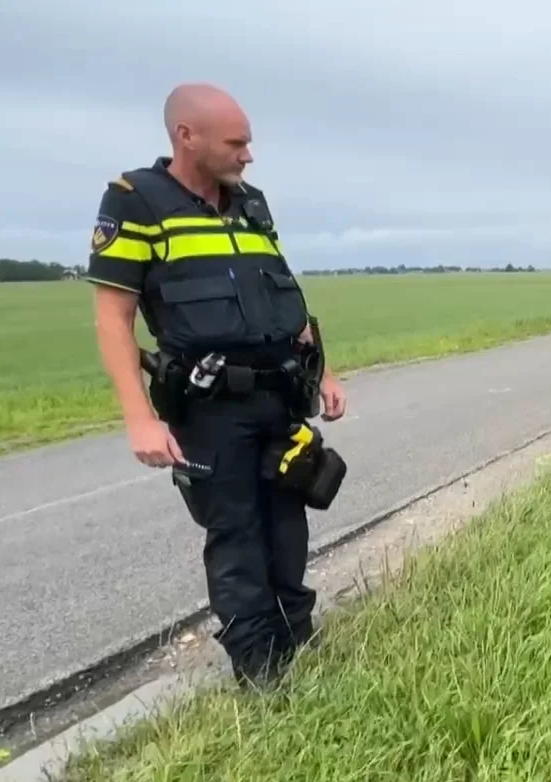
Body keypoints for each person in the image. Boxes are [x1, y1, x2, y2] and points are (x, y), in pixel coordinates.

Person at [86, 83, 348, 689]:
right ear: (187, 136)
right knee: (236, 536)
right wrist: (138, 417)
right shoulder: (136, 203)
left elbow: (286, 294)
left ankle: (299, 648)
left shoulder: (252, 203)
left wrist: (325, 370)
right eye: (236, 142)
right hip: (210, 410)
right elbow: (112, 319)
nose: (248, 154)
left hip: (278, 397)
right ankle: (263, 676)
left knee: (288, 525)